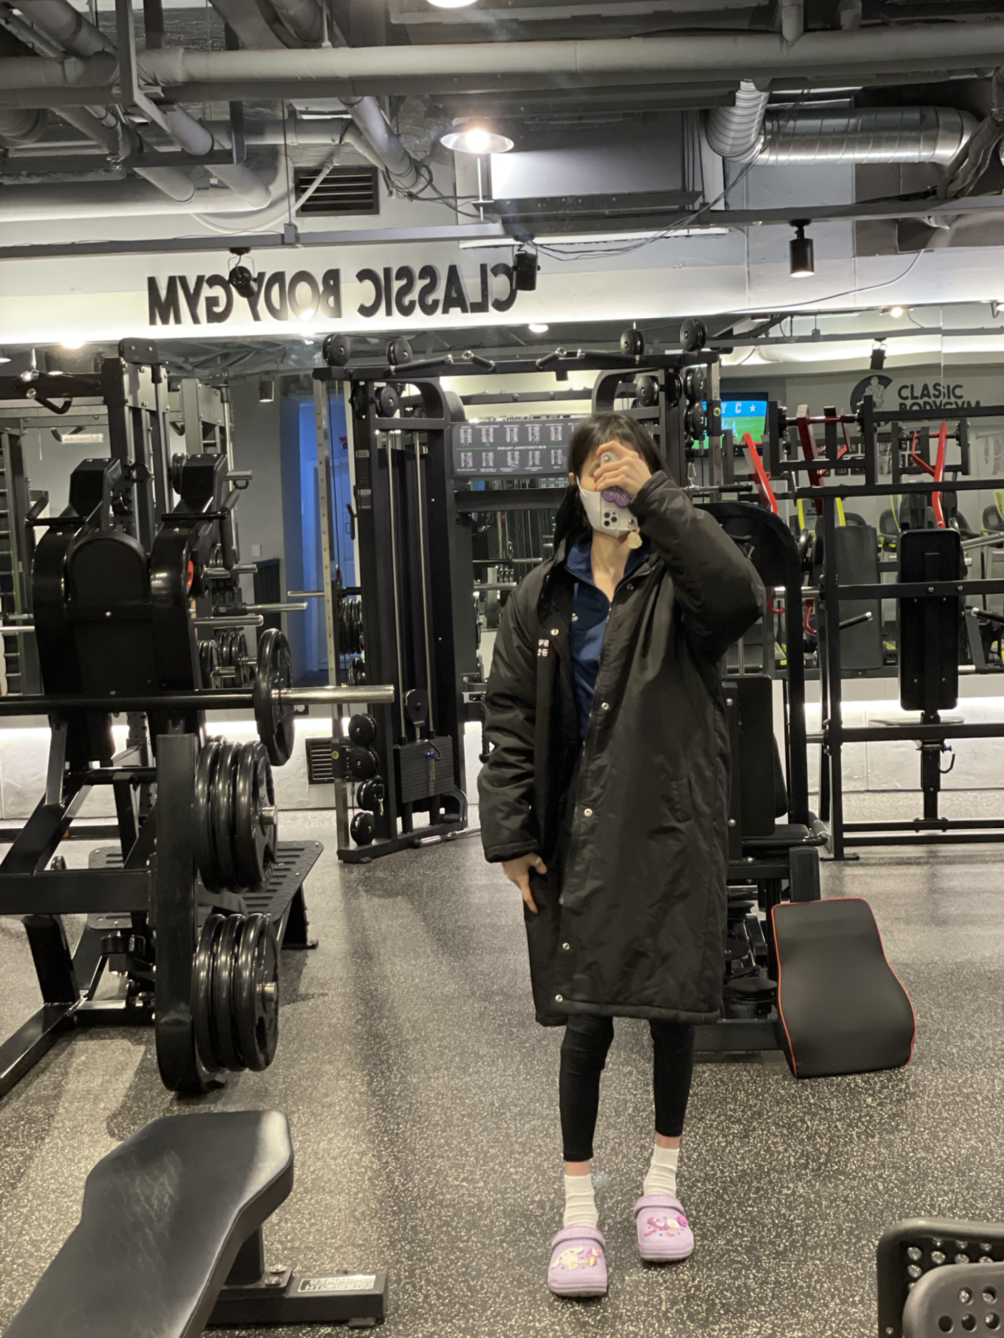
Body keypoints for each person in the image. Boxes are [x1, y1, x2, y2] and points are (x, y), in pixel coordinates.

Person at [477, 412, 765, 1298]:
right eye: (598, 473)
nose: (611, 487)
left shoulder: (682, 583)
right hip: (578, 832)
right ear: (573, 486)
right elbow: (509, 717)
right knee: (588, 1017)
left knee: (672, 1009)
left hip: (670, 825)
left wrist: (655, 496)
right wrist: (513, 838)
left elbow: (743, 593)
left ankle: (661, 1190)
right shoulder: (543, 595)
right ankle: (578, 1212)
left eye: (628, 472)